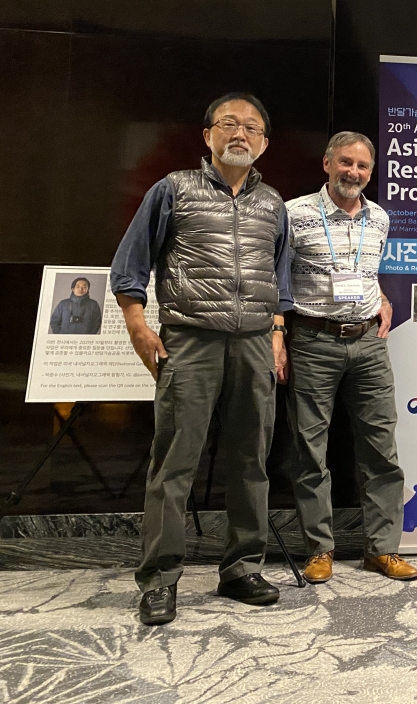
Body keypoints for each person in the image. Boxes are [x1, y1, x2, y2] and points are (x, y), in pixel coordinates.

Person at [110, 92, 291, 626]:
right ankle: (160, 579)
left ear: (264, 143)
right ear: (207, 135)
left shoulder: (273, 203)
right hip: (190, 340)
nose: (240, 134)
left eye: (252, 128)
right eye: (229, 124)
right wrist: (136, 323)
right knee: (174, 465)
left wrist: (278, 330)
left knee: (251, 461)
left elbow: (278, 278)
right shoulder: (172, 190)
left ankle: (241, 568)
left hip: (256, 342)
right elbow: (130, 262)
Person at [284, 130, 417, 586]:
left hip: (368, 342)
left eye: (362, 166)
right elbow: (275, 280)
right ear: (326, 163)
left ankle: (382, 550)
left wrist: (380, 295)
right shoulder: (294, 214)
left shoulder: (378, 218)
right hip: (312, 339)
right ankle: (319, 549)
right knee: (309, 450)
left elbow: (365, 269)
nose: (353, 173)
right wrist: (278, 334)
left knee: (382, 449)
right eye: (345, 163)